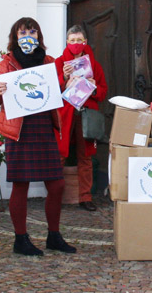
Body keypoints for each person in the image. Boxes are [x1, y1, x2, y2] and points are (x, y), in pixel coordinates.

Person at [0, 17, 76, 256]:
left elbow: (60, 92)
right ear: (15, 37)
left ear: (39, 36)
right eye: (22, 32)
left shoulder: (49, 61)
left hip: (43, 127)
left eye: (32, 32)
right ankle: (20, 239)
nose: (28, 36)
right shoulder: (7, 63)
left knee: (56, 185)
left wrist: (65, 77)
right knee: (21, 185)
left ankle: (54, 236)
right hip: (19, 131)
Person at [55, 25, 107, 211]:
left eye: (79, 40)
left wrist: (93, 87)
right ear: (67, 42)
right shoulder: (59, 62)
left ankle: (85, 197)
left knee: (85, 157)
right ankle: (55, 195)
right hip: (66, 114)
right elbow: (52, 90)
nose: (76, 44)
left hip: (86, 114)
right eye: (72, 40)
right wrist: (64, 78)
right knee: (60, 154)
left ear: (85, 42)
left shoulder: (95, 65)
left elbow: (102, 93)